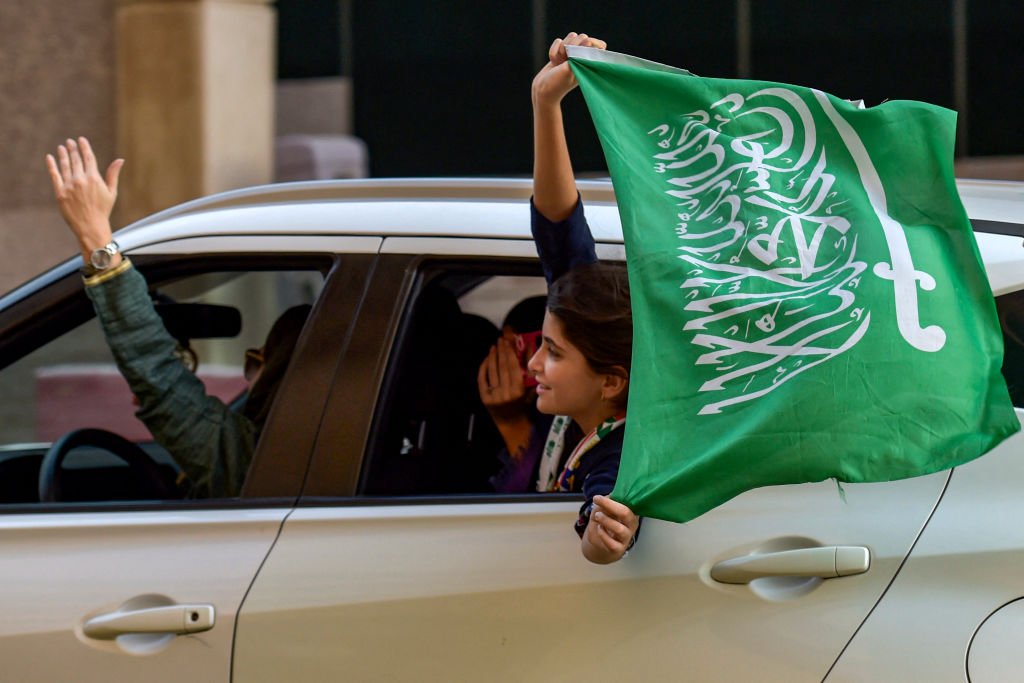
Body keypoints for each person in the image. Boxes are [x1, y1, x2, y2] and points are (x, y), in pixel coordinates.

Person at [45, 137, 309, 498]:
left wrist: (94, 235)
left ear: (291, 384)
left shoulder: (265, 472)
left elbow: (160, 381)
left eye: (259, 362)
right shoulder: (307, 464)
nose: (250, 377)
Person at [479, 33, 640, 564]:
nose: (533, 362)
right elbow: (559, 230)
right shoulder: (576, 414)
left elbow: (608, 509)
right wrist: (546, 103)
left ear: (612, 380)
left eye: (554, 351)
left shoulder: (618, 452)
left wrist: (604, 538)